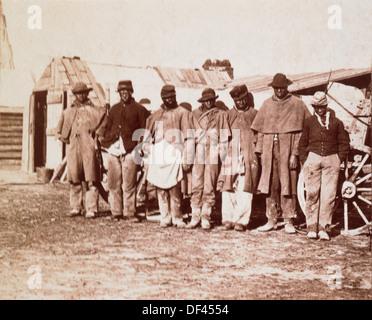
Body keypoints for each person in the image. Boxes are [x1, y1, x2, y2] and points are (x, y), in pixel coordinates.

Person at [251, 73, 311, 233]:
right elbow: (260, 131)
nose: (279, 91)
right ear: (273, 88)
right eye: (277, 88)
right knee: (270, 184)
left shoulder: (298, 104)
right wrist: (261, 152)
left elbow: (302, 132)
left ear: (287, 87)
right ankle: (271, 219)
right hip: (269, 150)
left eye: (282, 88)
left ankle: (288, 220)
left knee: (288, 184)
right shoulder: (266, 104)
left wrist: (295, 154)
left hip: (288, 149)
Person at [299, 92, 350, 240]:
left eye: (321, 107)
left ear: (326, 106)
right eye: (316, 107)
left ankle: (323, 228)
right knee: (312, 193)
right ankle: (311, 227)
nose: (319, 110)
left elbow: (343, 142)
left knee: (328, 196)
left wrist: (338, 159)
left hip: (331, 160)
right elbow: (303, 142)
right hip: (313, 159)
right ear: (314, 107)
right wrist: (305, 160)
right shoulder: (309, 122)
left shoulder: (336, 123)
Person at [143, 85, 195, 228]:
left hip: (175, 154)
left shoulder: (183, 113)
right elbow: (147, 137)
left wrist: (187, 158)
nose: (169, 100)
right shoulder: (156, 115)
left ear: (175, 96)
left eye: (171, 97)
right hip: (159, 154)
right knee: (161, 188)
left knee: (174, 188)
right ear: (162, 99)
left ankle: (177, 217)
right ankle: (165, 217)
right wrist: (146, 157)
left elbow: (189, 138)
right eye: (166, 98)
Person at [101, 80, 150, 221]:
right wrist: (107, 140)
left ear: (131, 92)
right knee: (113, 183)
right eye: (121, 92)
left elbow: (144, 131)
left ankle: (129, 212)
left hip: (131, 150)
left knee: (129, 184)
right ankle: (116, 212)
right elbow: (107, 128)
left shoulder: (140, 109)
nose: (124, 94)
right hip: (113, 149)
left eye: (126, 91)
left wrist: (140, 148)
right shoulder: (114, 109)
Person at [56, 82, 107, 218]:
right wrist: (63, 136)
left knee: (92, 178)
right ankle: (75, 206)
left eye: (83, 93)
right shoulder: (67, 112)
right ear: (75, 95)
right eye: (78, 93)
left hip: (89, 146)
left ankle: (91, 208)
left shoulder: (97, 111)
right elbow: (60, 130)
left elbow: (103, 126)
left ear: (87, 93)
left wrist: (98, 137)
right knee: (75, 178)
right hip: (74, 148)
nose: (81, 96)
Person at [187, 88, 231, 230]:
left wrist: (222, 155)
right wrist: (189, 156)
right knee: (196, 182)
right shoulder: (194, 114)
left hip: (213, 149)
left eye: (211, 100)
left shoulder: (221, 114)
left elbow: (224, 138)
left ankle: (206, 216)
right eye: (206, 100)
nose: (209, 102)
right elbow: (189, 137)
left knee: (209, 184)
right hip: (199, 149)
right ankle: (195, 216)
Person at [217, 85, 260, 231]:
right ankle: (228, 218)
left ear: (247, 98)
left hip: (248, 156)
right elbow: (222, 137)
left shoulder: (255, 114)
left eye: (243, 99)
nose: (241, 102)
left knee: (245, 187)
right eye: (238, 100)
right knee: (228, 187)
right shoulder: (227, 115)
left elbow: (260, 135)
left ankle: (241, 220)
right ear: (234, 100)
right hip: (231, 155)